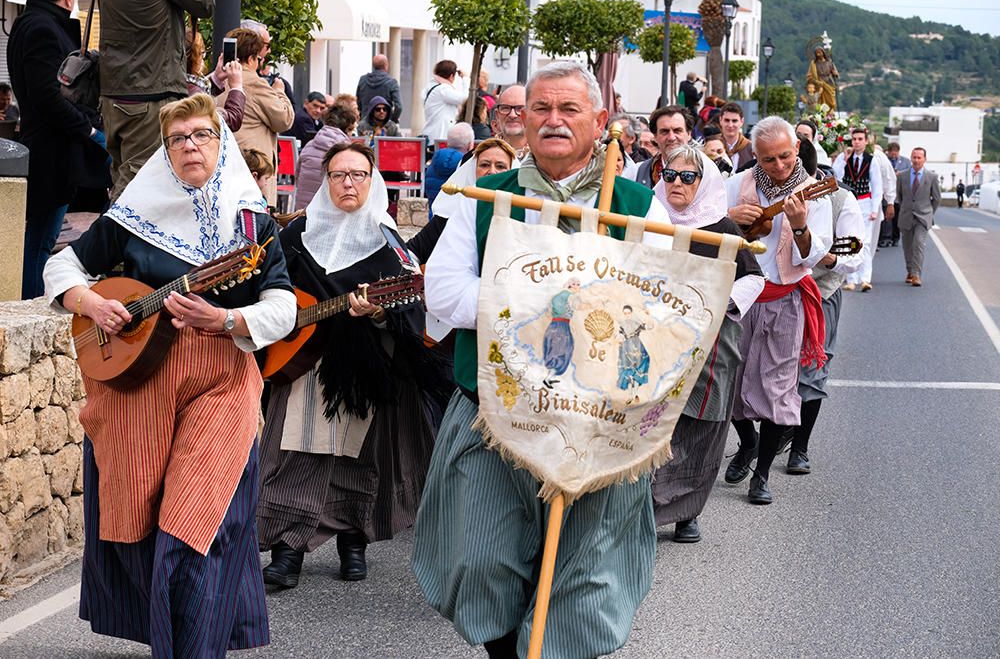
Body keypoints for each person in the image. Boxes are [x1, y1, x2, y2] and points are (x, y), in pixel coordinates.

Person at [413, 60, 677, 659]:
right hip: (493, 409)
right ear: (521, 121)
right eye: (540, 110)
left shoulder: (640, 205)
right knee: (481, 558)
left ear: (600, 121)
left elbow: (665, 309)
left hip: (599, 420)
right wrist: (549, 295)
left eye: (569, 110)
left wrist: (582, 304)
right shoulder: (479, 196)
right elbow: (445, 294)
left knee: (585, 571)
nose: (553, 121)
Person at [42, 93, 296, 657]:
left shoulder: (251, 222)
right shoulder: (136, 216)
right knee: (138, 526)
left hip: (220, 380)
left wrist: (229, 317)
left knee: (193, 529)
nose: (190, 146)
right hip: (140, 384)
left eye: (203, 135)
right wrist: (87, 301)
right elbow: (60, 264)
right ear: (165, 149)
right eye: (178, 139)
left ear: (222, 142)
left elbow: (283, 305)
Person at [258, 143, 446, 588]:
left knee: (358, 459)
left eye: (358, 175)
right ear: (325, 180)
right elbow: (268, 286)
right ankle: (287, 551)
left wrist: (379, 313)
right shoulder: (296, 235)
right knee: (296, 453)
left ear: (372, 181)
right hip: (301, 362)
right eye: (339, 174)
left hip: (364, 368)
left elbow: (412, 308)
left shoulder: (389, 244)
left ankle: (352, 542)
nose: (348, 183)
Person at [650, 144, 764, 543]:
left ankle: (687, 513)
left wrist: (716, 305)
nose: (677, 183)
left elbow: (753, 277)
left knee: (700, 430)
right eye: (670, 175)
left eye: (687, 177)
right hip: (656, 341)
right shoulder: (650, 221)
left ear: (705, 182)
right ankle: (643, 507)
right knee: (654, 425)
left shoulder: (723, 229)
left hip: (712, 343)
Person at [724, 116, 833, 505]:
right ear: (755, 155)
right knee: (729, 380)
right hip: (739, 297)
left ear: (797, 149)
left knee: (778, 387)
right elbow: (706, 229)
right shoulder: (736, 185)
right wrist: (730, 219)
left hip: (785, 298)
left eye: (786, 156)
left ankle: (762, 473)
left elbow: (820, 255)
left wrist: (801, 228)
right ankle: (747, 442)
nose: (780, 166)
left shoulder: (814, 192)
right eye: (769, 160)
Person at [7, 0, 111, 299]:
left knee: (41, 237)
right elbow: (48, 96)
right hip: (53, 150)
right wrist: (90, 130)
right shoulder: (43, 29)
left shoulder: (28, 23)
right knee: (41, 240)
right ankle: (34, 309)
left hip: (48, 145)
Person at [788, 140, 864, 476]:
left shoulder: (840, 199)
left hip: (822, 292)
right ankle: (769, 435)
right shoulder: (763, 190)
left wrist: (829, 257)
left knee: (812, 369)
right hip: (776, 291)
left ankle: (799, 448)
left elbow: (856, 255)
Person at [99, 0, 214, 200]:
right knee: (137, 190)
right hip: (150, 94)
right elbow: (205, 4)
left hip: (116, 93)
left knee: (125, 179)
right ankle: (113, 232)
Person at [220, 28, 294, 209]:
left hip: (225, 166)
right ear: (252, 58)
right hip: (254, 170)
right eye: (259, 58)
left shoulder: (218, 79)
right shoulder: (254, 83)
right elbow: (284, 120)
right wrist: (279, 92)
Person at [833, 128, 882, 292]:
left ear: (866, 141)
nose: (857, 142)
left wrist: (875, 209)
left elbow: (877, 185)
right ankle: (851, 279)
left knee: (865, 242)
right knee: (849, 239)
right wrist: (845, 160)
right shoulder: (843, 158)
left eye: (860, 139)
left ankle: (865, 278)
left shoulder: (872, 160)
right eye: (854, 139)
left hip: (865, 202)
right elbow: (836, 178)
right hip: (849, 201)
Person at [293, 102, 358, 210]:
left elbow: (297, 178)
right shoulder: (346, 152)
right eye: (351, 130)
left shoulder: (309, 145)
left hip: (302, 212)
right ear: (346, 129)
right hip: (329, 215)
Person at [893, 147, 939, 287]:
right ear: (911, 158)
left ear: (924, 159)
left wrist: (929, 212)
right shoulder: (902, 176)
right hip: (906, 215)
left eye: (919, 157)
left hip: (923, 217)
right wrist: (906, 208)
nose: (916, 160)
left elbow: (936, 198)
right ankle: (910, 271)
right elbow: (900, 196)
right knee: (907, 246)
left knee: (918, 244)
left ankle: (916, 274)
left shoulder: (931, 177)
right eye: (914, 157)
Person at [185, 25, 245, 132]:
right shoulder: (194, 93)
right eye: (202, 53)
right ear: (194, 57)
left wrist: (216, 78)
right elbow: (229, 121)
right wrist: (236, 87)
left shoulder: (177, 82)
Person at [633, 105, 693, 188]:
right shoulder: (638, 171)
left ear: (689, 134)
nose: (671, 137)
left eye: (677, 131)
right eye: (664, 132)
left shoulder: (705, 169)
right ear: (655, 137)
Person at [425, 123, 474, 209]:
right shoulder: (467, 167)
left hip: (434, 216)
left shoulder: (435, 161)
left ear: (447, 143)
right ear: (470, 145)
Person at [421, 60, 466, 140]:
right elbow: (465, 99)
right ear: (451, 76)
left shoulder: (431, 87)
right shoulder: (443, 89)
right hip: (440, 136)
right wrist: (466, 79)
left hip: (432, 135)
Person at [879, 142, 910, 247]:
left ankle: (895, 238)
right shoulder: (884, 160)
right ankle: (885, 238)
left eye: (895, 152)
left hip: (899, 193)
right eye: (892, 152)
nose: (893, 154)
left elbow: (910, 172)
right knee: (886, 216)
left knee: (897, 217)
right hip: (886, 192)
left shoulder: (906, 162)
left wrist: (899, 174)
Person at [356, 53, 402, 123]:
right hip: (384, 124)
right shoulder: (392, 82)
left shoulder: (363, 80)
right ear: (386, 65)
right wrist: (392, 119)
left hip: (365, 123)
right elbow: (399, 106)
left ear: (373, 65)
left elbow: (358, 102)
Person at [490, 85, 528, 159]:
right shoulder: (479, 156)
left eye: (520, 109)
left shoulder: (546, 157)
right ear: (497, 115)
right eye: (505, 108)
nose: (512, 115)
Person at [720, 102, 754, 170]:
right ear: (720, 120)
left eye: (734, 121)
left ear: (742, 121)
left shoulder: (752, 149)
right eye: (727, 120)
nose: (730, 125)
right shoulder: (712, 146)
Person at [807, 47, 839, 111]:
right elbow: (810, 76)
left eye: (819, 52)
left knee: (832, 102)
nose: (818, 54)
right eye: (817, 53)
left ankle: (831, 113)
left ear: (823, 52)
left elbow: (834, 71)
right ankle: (823, 115)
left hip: (829, 82)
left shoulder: (829, 61)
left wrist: (835, 73)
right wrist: (816, 82)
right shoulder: (814, 63)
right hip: (819, 83)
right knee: (821, 102)